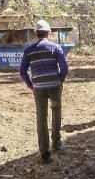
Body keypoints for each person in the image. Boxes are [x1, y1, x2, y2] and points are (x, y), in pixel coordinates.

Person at [19, 19, 69, 164]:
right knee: (56, 111)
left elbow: (22, 71)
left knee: (41, 117)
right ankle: (57, 142)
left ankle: (44, 152)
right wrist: (60, 80)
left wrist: (31, 85)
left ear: (35, 34)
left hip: (39, 88)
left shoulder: (29, 50)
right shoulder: (56, 47)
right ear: (49, 33)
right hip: (54, 86)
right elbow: (64, 68)